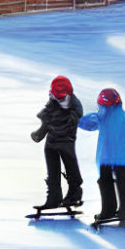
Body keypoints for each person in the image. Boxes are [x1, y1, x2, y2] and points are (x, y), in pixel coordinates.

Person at [78, 87, 125, 222]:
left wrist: (77, 120)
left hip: (105, 157)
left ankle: (108, 211)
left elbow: (88, 124)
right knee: (124, 182)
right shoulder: (124, 116)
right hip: (121, 158)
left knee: (106, 183)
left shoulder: (101, 117)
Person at [30, 75, 84, 209]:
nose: (59, 99)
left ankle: (74, 194)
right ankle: (53, 198)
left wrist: (61, 125)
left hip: (66, 141)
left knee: (71, 167)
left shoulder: (74, 104)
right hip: (52, 141)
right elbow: (47, 119)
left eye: (61, 96)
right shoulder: (52, 101)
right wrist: (40, 133)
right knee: (52, 170)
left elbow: (74, 120)